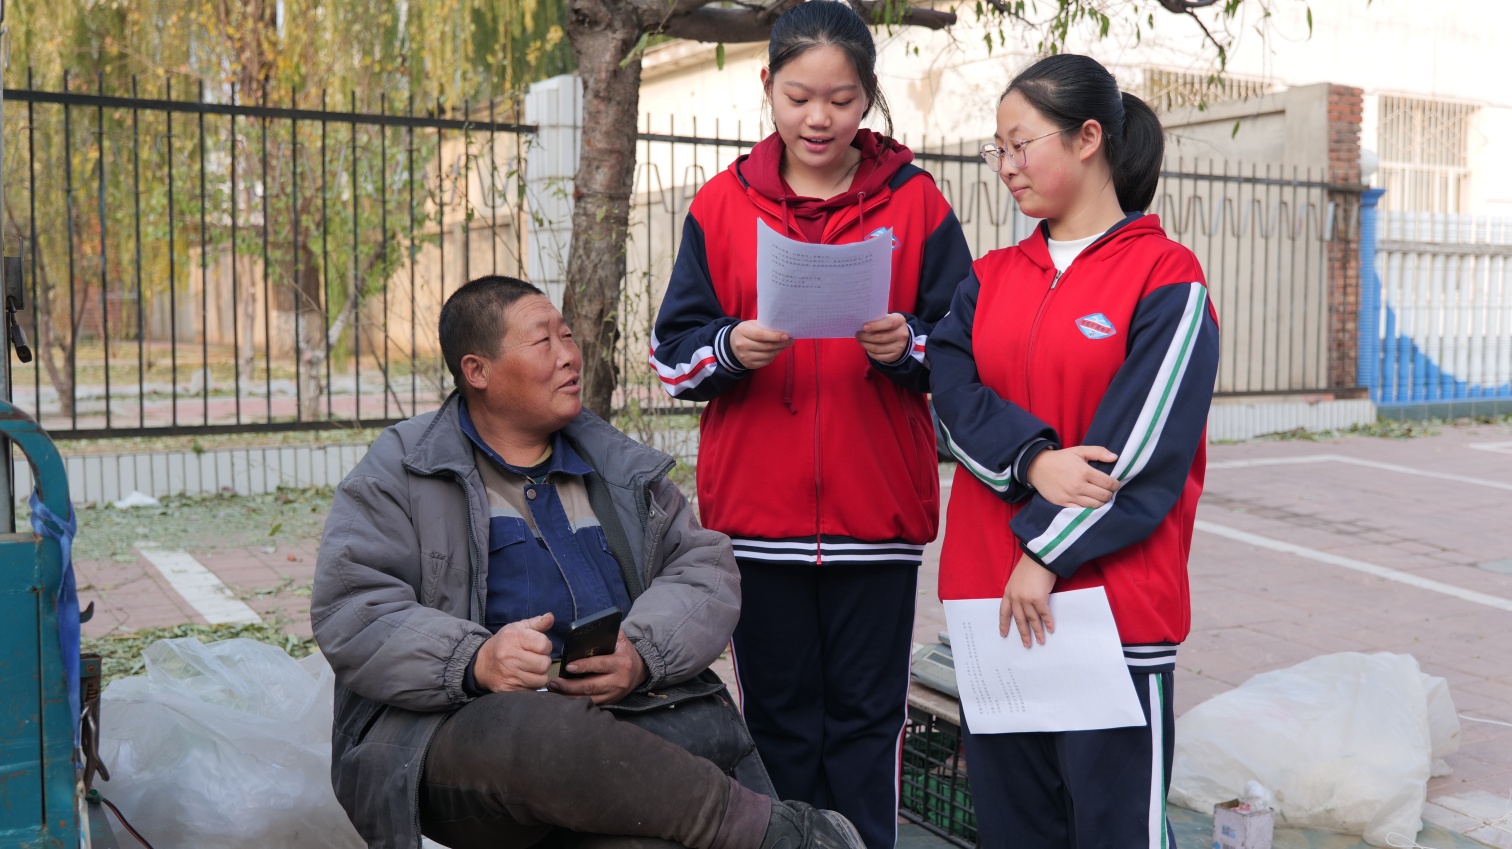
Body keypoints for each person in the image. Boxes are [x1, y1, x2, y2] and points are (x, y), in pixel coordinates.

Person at [311, 275, 867, 849]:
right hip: (454, 740)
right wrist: (475, 660)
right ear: (477, 371)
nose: (569, 356)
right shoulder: (403, 470)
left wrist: (641, 655)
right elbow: (354, 607)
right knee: (534, 728)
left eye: (568, 335)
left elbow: (703, 568)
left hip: (620, 736)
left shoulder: (614, 465)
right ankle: (777, 835)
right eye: (543, 342)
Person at [648, 4, 972, 848]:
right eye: (798, 97)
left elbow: (970, 353)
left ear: (867, 98)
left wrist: (909, 347)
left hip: (877, 521)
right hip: (758, 525)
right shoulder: (720, 207)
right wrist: (730, 347)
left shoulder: (918, 204)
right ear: (768, 90)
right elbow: (672, 356)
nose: (818, 118)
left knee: (869, 722)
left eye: (839, 97)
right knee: (780, 724)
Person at [929, 54, 1221, 849]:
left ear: (1089, 137)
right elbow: (953, 401)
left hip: (1112, 610)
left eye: (1020, 144)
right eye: (997, 148)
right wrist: (1032, 461)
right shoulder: (986, 280)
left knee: (1115, 830)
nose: (1005, 166)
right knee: (1013, 827)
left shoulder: (1168, 278)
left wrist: (1046, 552)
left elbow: (1144, 445)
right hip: (994, 604)